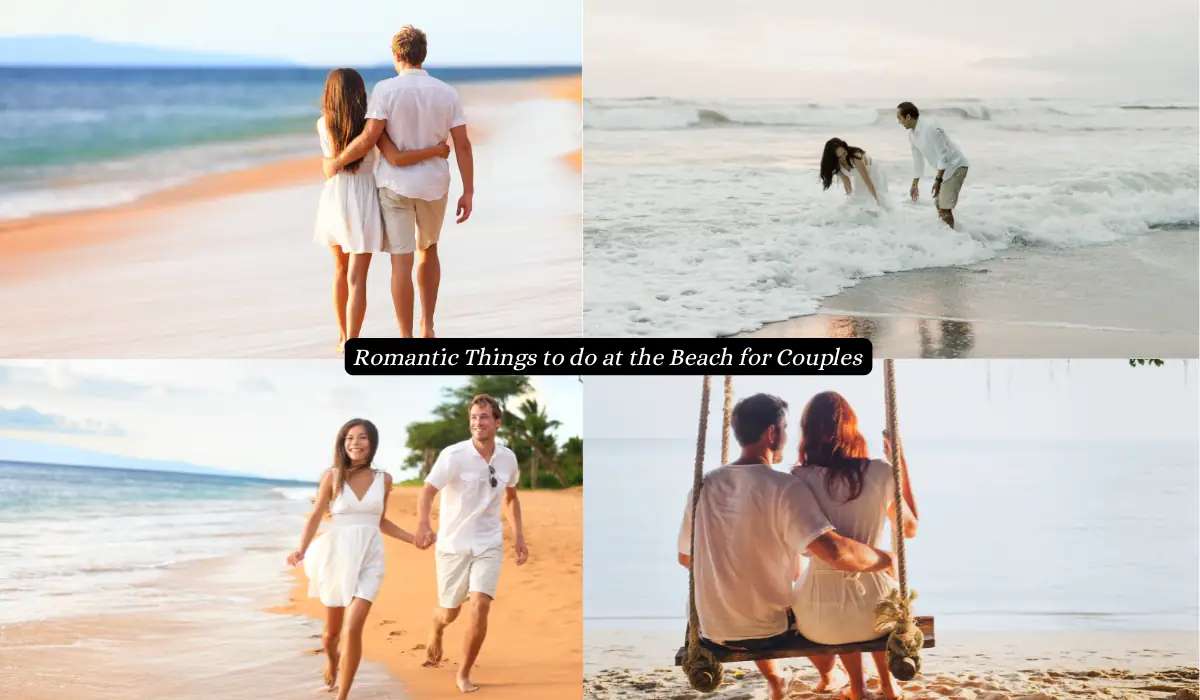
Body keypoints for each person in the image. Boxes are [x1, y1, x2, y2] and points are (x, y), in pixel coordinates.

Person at [677, 393, 897, 700]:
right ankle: (829, 674)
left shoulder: (703, 485)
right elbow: (836, 552)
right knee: (801, 607)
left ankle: (783, 680)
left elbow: (685, 558)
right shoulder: (784, 487)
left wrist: (735, 576)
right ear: (772, 433)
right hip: (768, 632)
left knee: (769, 596)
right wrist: (885, 559)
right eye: (783, 427)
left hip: (711, 632)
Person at [322, 25, 475, 339]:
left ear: (396, 55)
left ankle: (405, 336)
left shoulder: (385, 90)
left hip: (395, 186)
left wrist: (335, 162)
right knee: (429, 250)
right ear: (424, 55)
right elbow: (462, 145)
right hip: (434, 184)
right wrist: (468, 190)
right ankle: (427, 327)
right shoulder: (447, 92)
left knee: (400, 262)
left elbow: (369, 138)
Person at [789, 392, 920, 700]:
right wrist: (899, 464)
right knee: (878, 605)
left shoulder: (798, 478)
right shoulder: (880, 471)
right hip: (876, 611)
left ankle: (857, 688)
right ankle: (888, 686)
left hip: (818, 619)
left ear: (807, 430)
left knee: (843, 610)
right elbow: (910, 528)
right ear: (852, 427)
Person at [287, 419, 419, 699]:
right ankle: (333, 664)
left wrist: (413, 539)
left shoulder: (383, 479)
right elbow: (314, 517)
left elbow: (381, 522)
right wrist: (300, 549)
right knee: (330, 636)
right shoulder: (332, 477)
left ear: (372, 443)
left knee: (352, 627)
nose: (355, 443)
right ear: (342, 443)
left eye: (361, 438)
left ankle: (343, 695)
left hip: (370, 559)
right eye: (349, 438)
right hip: (337, 558)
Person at [414, 394, 529, 693]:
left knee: (479, 605)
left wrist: (518, 537)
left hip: (488, 543)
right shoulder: (453, 455)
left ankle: (463, 672)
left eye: (485, 417)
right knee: (450, 612)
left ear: (497, 422)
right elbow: (427, 491)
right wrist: (424, 523)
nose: (478, 423)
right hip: (453, 545)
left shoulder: (508, 458)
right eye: (474, 418)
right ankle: (436, 628)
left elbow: (511, 498)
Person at [896, 101, 970, 229]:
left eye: (899, 118)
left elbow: (944, 156)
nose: (899, 122)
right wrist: (915, 184)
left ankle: (953, 240)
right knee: (939, 204)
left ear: (908, 117)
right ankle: (951, 236)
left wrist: (938, 180)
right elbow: (917, 160)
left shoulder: (931, 127)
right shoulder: (913, 136)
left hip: (956, 166)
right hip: (945, 169)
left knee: (944, 208)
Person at [819, 137, 891, 209]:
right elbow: (846, 182)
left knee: (878, 197)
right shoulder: (836, 164)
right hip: (859, 175)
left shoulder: (856, 157)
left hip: (873, 171)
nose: (843, 158)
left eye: (844, 153)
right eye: (839, 157)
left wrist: (876, 200)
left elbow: (868, 182)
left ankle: (887, 214)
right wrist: (849, 200)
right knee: (857, 199)